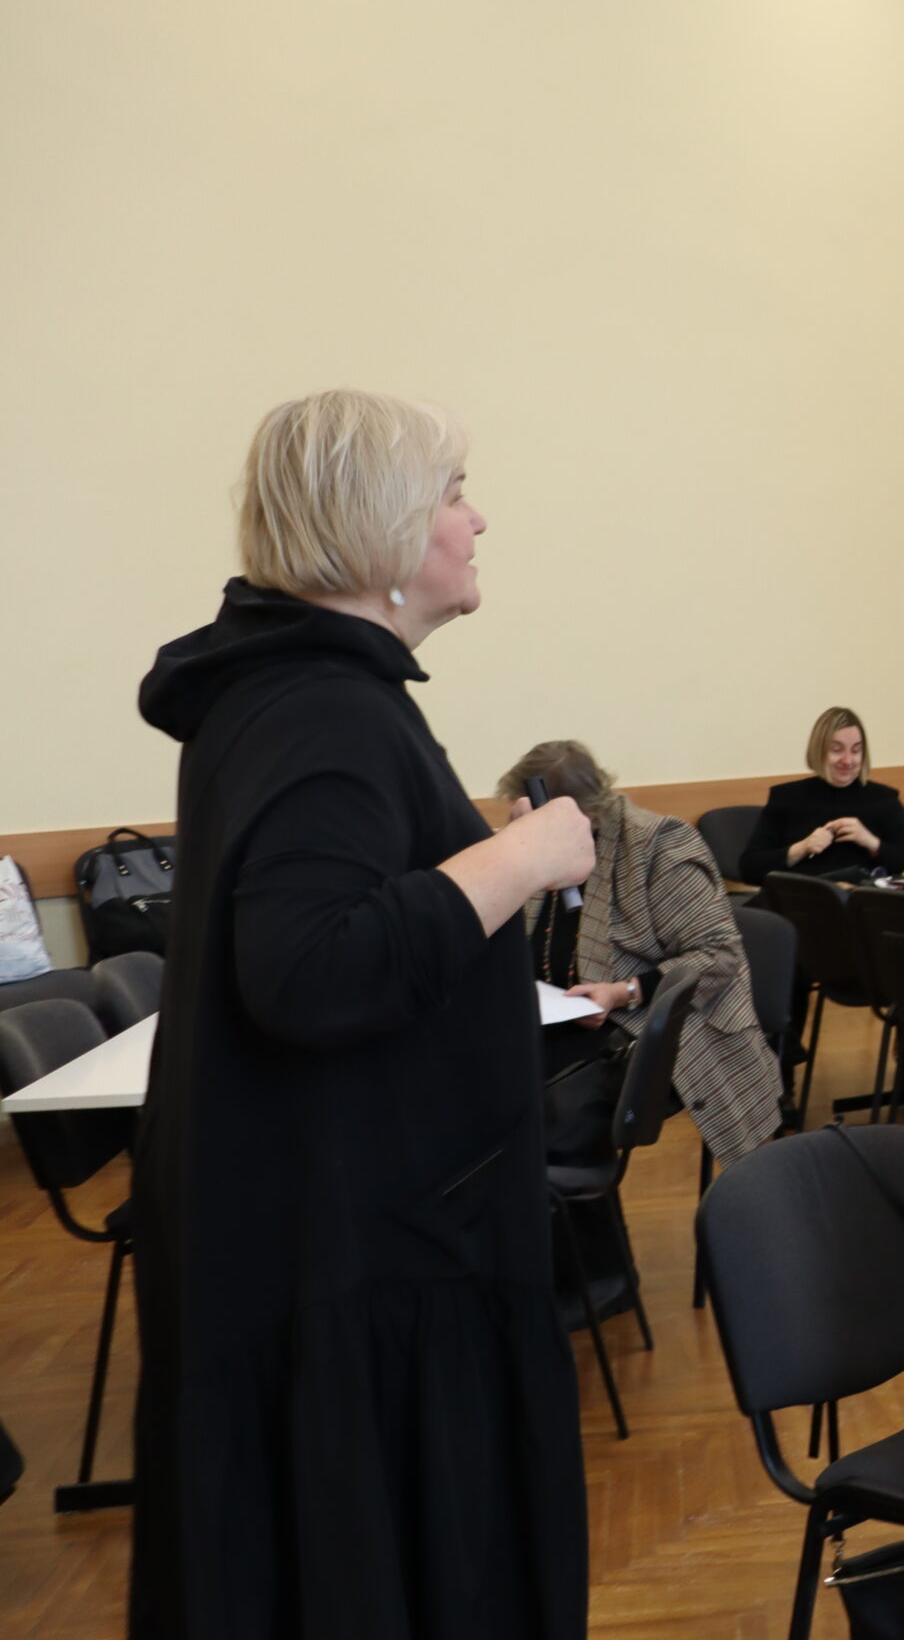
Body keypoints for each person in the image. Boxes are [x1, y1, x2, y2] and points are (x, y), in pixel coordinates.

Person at [133, 391, 594, 1637]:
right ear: (383, 526)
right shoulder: (323, 709)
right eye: (454, 492)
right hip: (363, 1257)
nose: (476, 519)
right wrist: (519, 859)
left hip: (347, 1242)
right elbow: (310, 968)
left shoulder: (292, 693)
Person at [499, 740, 781, 1167]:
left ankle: (575, 1203)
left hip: (649, 1028)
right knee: (482, 1092)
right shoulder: (546, 845)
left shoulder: (657, 844)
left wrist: (623, 992)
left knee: (547, 1122)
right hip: (561, 1022)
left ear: (581, 813)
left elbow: (720, 954)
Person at [738, 706, 904, 883]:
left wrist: (872, 843)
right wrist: (802, 848)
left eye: (856, 750)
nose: (848, 760)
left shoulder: (885, 800)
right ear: (818, 751)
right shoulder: (786, 798)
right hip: (801, 898)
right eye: (837, 750)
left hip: (863, 900)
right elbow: (749, 869)